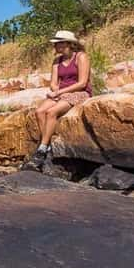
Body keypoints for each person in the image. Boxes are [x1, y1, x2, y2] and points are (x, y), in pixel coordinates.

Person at [25, 30, 92, 170]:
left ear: (68, 44)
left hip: (79, 92)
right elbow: (53, 83)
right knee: (39, 111)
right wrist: (56, 91)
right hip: (61, 93)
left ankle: (42, 148)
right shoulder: (57, 60)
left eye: (58, 43)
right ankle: (47, 144)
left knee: (52, 112)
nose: (55, 46)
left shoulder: (81, 57)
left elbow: (82, 83)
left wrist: (60, 92)